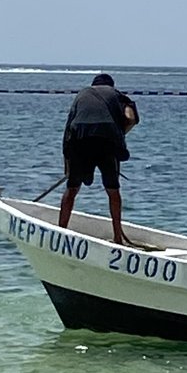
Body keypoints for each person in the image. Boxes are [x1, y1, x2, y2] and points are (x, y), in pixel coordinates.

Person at [58, 72, 139, 244]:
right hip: (106, 143)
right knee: (113, 191)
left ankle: (60, 231)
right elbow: (130, 118)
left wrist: (67, 162)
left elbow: (68, 130)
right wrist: (119, 135)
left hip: (79, 141)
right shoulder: (118, 95)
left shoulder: (81, 94)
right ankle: (118, 237)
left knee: (72, 189)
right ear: (111, 86)